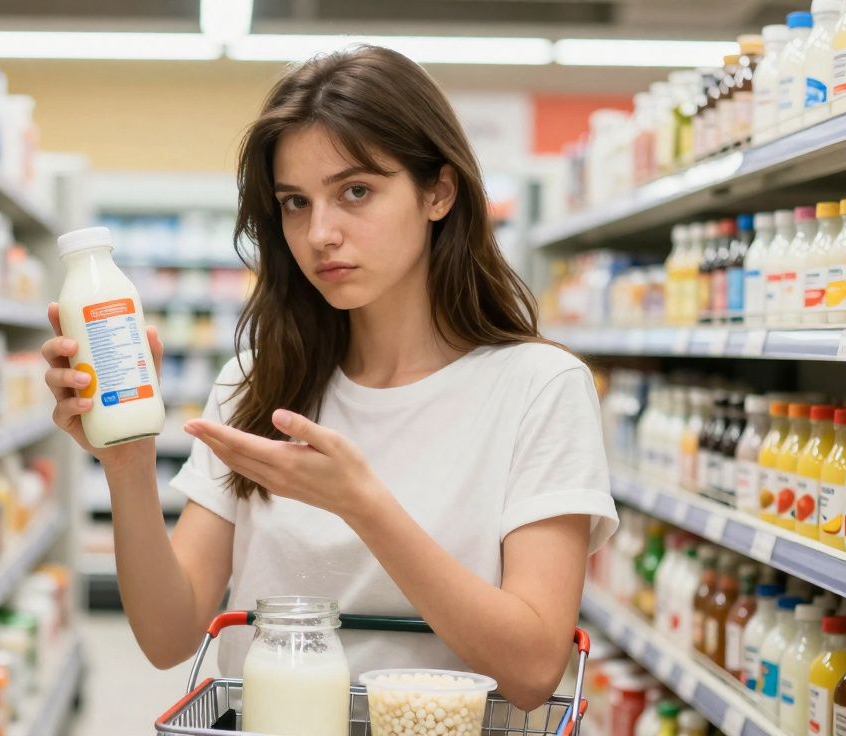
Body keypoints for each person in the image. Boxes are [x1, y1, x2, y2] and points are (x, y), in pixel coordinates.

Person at [41, 44, 617, 710]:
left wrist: (362, 504)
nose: (319, 233)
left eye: (356, 191)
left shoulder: (539, 386)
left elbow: (534, 670)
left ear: (438, 191)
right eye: (295, 202)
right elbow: (168, 636)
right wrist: (127, 462)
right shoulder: (255, 384)